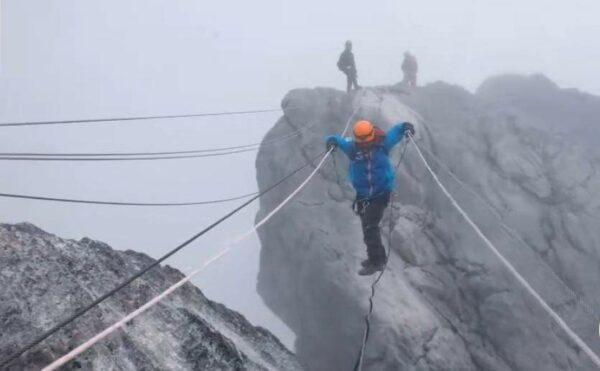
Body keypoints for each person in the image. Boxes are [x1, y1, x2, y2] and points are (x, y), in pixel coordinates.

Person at [325, 120, 415, 275]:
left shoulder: (382, 144)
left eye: (367, 142)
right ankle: (378, 256)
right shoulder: (353, 148)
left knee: (369, 225)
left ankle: (376, 262)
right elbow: (336, 139)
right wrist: (331, 141)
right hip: (363, 193)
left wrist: (406, 127)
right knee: (365, 221)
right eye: (362, 142)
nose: (365, 145)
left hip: (381, 192)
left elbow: (396, 130)